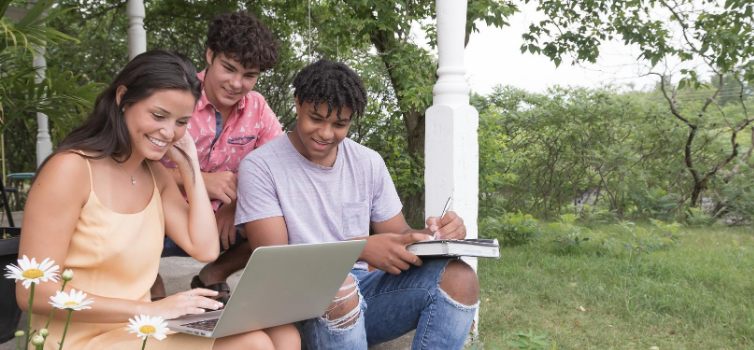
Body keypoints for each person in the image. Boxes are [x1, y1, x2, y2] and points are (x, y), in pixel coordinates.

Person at [16, 50, 299, 350]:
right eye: (158, 115)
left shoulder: (156, 176)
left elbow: (205, 249)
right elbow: (33, 292)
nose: (168, 132)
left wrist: (189, 163)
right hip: (80, 337)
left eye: (181, 122)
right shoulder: (70, 170)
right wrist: (151, 309)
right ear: (123, 98)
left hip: (140, 327)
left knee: (284, 336)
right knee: (254, 344)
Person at [234, 59, 480, 350]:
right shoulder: (261, 166)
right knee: (340, 289)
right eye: (316, 118)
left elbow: (398, 234)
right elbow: (275, 264)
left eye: (340, 124)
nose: (326, 133)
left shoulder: (368, 162)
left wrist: (435, 236)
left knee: (461, 277)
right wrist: (360, 248)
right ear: (298, 103)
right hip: (296, 306)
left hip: (363, 295)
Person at [155, 12, 284, 304]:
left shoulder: (258, 108)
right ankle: (150, 283)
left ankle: (214, 274)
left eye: (249, 75)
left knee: (281, 221)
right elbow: (135, 163)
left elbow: (276, 166)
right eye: (229, 68)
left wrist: (236, 201)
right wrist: (201, 182)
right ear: (210, 54)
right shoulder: (175, 94)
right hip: (165, 212)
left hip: (226, 220)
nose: (237, 83)